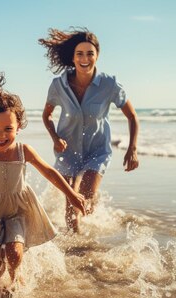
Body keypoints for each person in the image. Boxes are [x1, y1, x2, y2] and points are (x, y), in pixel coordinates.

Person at [0, 70, 87, 288]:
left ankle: (16, 280)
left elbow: (50, 172)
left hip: (18, 208)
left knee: (14, 252)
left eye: (8, 129)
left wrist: (71, 194)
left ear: (18, 128)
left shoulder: (24, 151)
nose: (1, 135)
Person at [38, 27, 140, 233]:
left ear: (97, 56)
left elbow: (132, 116)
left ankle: (90, 214)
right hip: (67, 151)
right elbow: (46, 115)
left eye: (90, 53)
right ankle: (77, 248)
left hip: (97, 150)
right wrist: (55, 138)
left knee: (86, 196)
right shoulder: (59, 85)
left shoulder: (109, 84)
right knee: (71, 203)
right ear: (73, 57)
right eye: (80, 54)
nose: (85, 58)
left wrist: (133, 149)